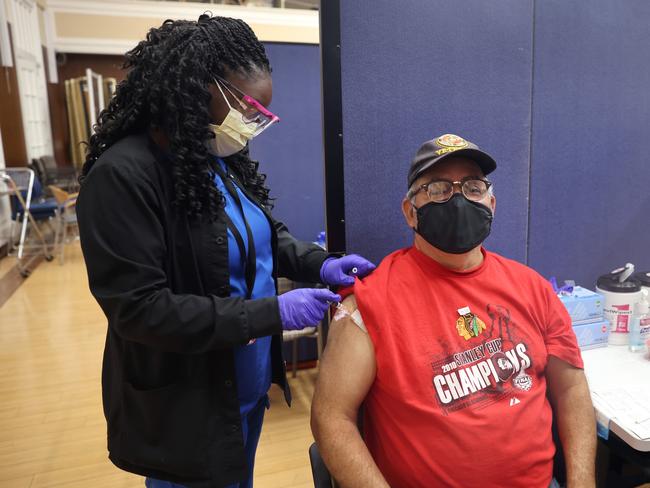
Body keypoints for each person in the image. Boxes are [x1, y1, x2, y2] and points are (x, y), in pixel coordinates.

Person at [76, 15, 375, 488]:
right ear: (198, 88)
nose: (252, 122)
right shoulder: (122, 177)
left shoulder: (213, 156)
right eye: (248, 107)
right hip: (187, 403)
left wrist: (320, 264)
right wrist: (270, 312)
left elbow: (262, 235)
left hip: (244, 385)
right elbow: (140, 310)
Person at [311, 134, 596, 488]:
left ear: (491, 203)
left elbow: (571, 388)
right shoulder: (370, 303)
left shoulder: (532, 288)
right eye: (438, 188)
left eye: (473, 188)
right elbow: (331, 417)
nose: (459, 199)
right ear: (409, 211)